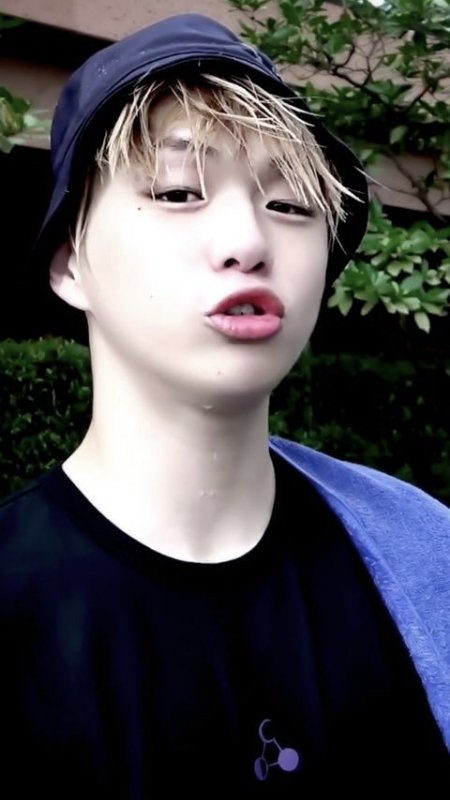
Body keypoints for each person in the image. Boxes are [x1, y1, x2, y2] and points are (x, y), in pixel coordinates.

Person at [0, 12, 449, 797]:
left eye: (291, 205)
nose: (248, 240)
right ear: (71, 265)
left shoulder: (424, 554)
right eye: (179, 191)